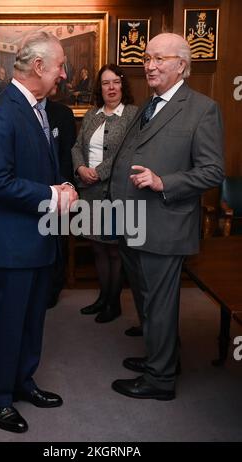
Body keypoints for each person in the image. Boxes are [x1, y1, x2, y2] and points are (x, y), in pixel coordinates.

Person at [109, 33, 224, 400]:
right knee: (145, 298)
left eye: (160, 58)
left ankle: (160, 380)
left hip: (164, 222)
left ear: (182, 66)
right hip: (132, 220)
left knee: (159, 303)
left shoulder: (202, 108)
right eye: (146, 58)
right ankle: (161, 357)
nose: (150, 65)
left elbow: (212, 171)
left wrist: (163, 182)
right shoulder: (149, 104)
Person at [0, 31, 78, 433]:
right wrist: (52, 194)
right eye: (60, 67)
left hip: (39, 241)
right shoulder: (1, 113)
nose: (65, 75)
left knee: (33, 321)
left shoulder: (39, 108)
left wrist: (63, 186)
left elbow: (40, 169)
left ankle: (23, 382)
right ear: (39, 67)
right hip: (11, 247)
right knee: (9, 324)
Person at [72, 64, 138, 323]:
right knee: (97, 248)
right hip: (89, 191)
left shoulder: (133, 114)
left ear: (123, 85)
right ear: (100, 88)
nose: (110, 88)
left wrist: (98, 171)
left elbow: (127, 152)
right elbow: (77, 146)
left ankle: (114, 302)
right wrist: (80, 168)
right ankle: (102, 297)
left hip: (115, 191)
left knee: (113, 249)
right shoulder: (91, 114)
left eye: (115, 82)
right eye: (105, 83)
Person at [45, 98, 77, 307]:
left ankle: (53, 289)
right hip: (29, 191)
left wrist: (65, 186)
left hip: (59, 190)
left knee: (57, 241)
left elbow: (68, 153)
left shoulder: (62, 112)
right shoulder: (19, 111)